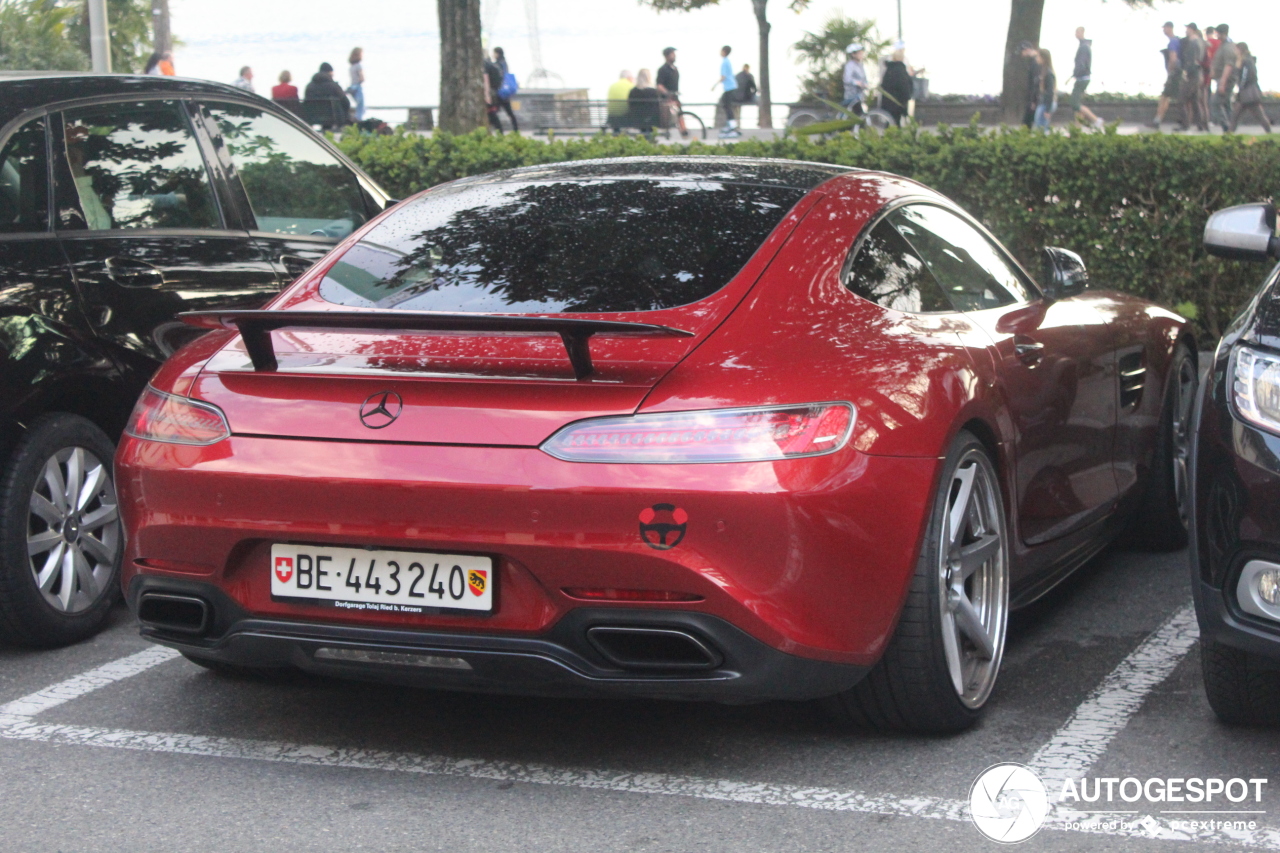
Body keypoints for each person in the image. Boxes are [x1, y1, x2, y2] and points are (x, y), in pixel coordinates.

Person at [1230, 43, 1272, 133]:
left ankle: (1230, 132)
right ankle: (1230, 132)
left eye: (1236, 49)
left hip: (1247, 92)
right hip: (1247, 92)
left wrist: (1241, 86)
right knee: (1237, 114)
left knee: (1255, 113)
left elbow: (1246, 76)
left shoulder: (1246, 61)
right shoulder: (1246, 60)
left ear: (1240, 50)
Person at [1146, 22, 1182, 128]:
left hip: (1174, 73)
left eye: (1165, 28)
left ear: (1170, 28)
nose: (1163, 31)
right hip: (1178, 73)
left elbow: (1173, 58)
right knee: (1171, 97)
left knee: (1164, 97)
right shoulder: (1177, 41)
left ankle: (1157, 120)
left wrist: (1170, 71)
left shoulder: (1173, 42)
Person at [1069, 28, 1103, 127]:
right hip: (1083, 77)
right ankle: (1077, 128)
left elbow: (1081, 63)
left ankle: (1095, 120)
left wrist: (1076, 74)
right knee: (1077, 105)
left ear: (1082, 33)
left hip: (1082, 77)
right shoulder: (1084, 46)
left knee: (1075, 103)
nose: (1075, 34)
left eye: (1077, 32)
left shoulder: (1084, 47)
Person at [1176, 24, 1208, 131]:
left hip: (1192, 74)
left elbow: (1192, 61)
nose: (1186, 31)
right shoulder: (1201, 42)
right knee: (1195, 100)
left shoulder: (1193, 43)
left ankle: (1185, 124)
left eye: (1187, 29)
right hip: (1198, 74)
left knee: (1181, 99)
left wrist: (1186, 74)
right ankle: (1200, 125)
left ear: (1192, 30)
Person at [304, 62, 350, 130]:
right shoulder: (334, 86)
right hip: (333, 118)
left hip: (312, 117)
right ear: (330, 73)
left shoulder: (309, 87)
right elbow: (346, 103)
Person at [1212, 23, 1239, 132]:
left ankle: (1226, 126)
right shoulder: (1223, 45)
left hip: (1226, 80)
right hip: (1222, 79)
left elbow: (1228, 66)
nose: (1216, 35)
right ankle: (1231, 126)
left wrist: (1222, 83)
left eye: (1217, 33)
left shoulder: (1228, 47)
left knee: (1215, 103)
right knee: (1226, 104)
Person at [879, 44, 913, 126]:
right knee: (896, 122)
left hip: (887, 101)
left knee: (889, 122)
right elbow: (904, 86)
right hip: (898, 102)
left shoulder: (888, 69)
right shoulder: (901, 70)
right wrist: (907, 99)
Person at [656, 47, 686, 137]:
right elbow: (659, 85)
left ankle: (684, 131)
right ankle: (669, 132)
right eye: (672, 54)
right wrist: (667, 92)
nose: (674, 56)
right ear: (667, 56)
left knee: (680, 114)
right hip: (667, 99)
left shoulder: (675, 69)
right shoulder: (663, 69)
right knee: (670, 117)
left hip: (675, 97)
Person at [713, 45, 739, 136]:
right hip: (731, 86)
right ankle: (731, 125)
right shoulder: (727, 61)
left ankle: (732, 127)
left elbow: (723, 76)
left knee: (727, 106)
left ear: (724, 52)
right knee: (726, 105)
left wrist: (714, 85)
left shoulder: (724, 62)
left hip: (729, 87)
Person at [491, 47, 518, 132]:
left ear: (497, 53)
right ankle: (515, 129)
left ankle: (499, 130)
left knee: (493, 112)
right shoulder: (504, 63)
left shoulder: (496, 64)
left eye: (494, 53)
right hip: (505, 92)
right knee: (509, 112)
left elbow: (497, 77)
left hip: (499, 92)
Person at [627, 68, 661, 135]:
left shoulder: (633, 91)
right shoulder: (653, 92)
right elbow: (657, 108)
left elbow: (630, 105)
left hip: (636, 121)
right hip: (651, 121)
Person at [1017, 40, 1041, 127]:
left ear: (1026, 50)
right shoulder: (1035, 61)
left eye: (1022, 51)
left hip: (1034, 97)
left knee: (1027, 122)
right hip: (1035, 97)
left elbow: (1035, 82)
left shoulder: (1035, 62)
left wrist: (1033, 100)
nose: (1021, 54)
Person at [842, 43, 868, 118]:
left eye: (861, 52)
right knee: (855, 114)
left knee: (860, 115)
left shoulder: (860, 65)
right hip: (851, 95)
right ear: (853, 54)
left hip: (859, 96)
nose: (861, 54)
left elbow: (864, 78)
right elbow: (847, 78)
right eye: (859, 53)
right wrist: (856, 82)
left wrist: (865, 84)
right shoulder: (850, 65)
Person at [1033, 49, 1057, 129]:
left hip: (1046, 103)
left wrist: (1048, 109)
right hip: (1043, 103)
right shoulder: (1042, 71)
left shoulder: (1048, 73)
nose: (1036, 58)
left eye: (1038, 56)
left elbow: (1050, 91)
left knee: (1041, 126)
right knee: (1040, 125)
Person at [348, 48, 365, 122]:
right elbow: (362, 78)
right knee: (361, 107)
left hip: (352, 87)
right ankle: (359, 121)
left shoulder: (352, 66)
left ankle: (356, 119)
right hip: (357, 87)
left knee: (358, 105)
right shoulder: (358, 66)